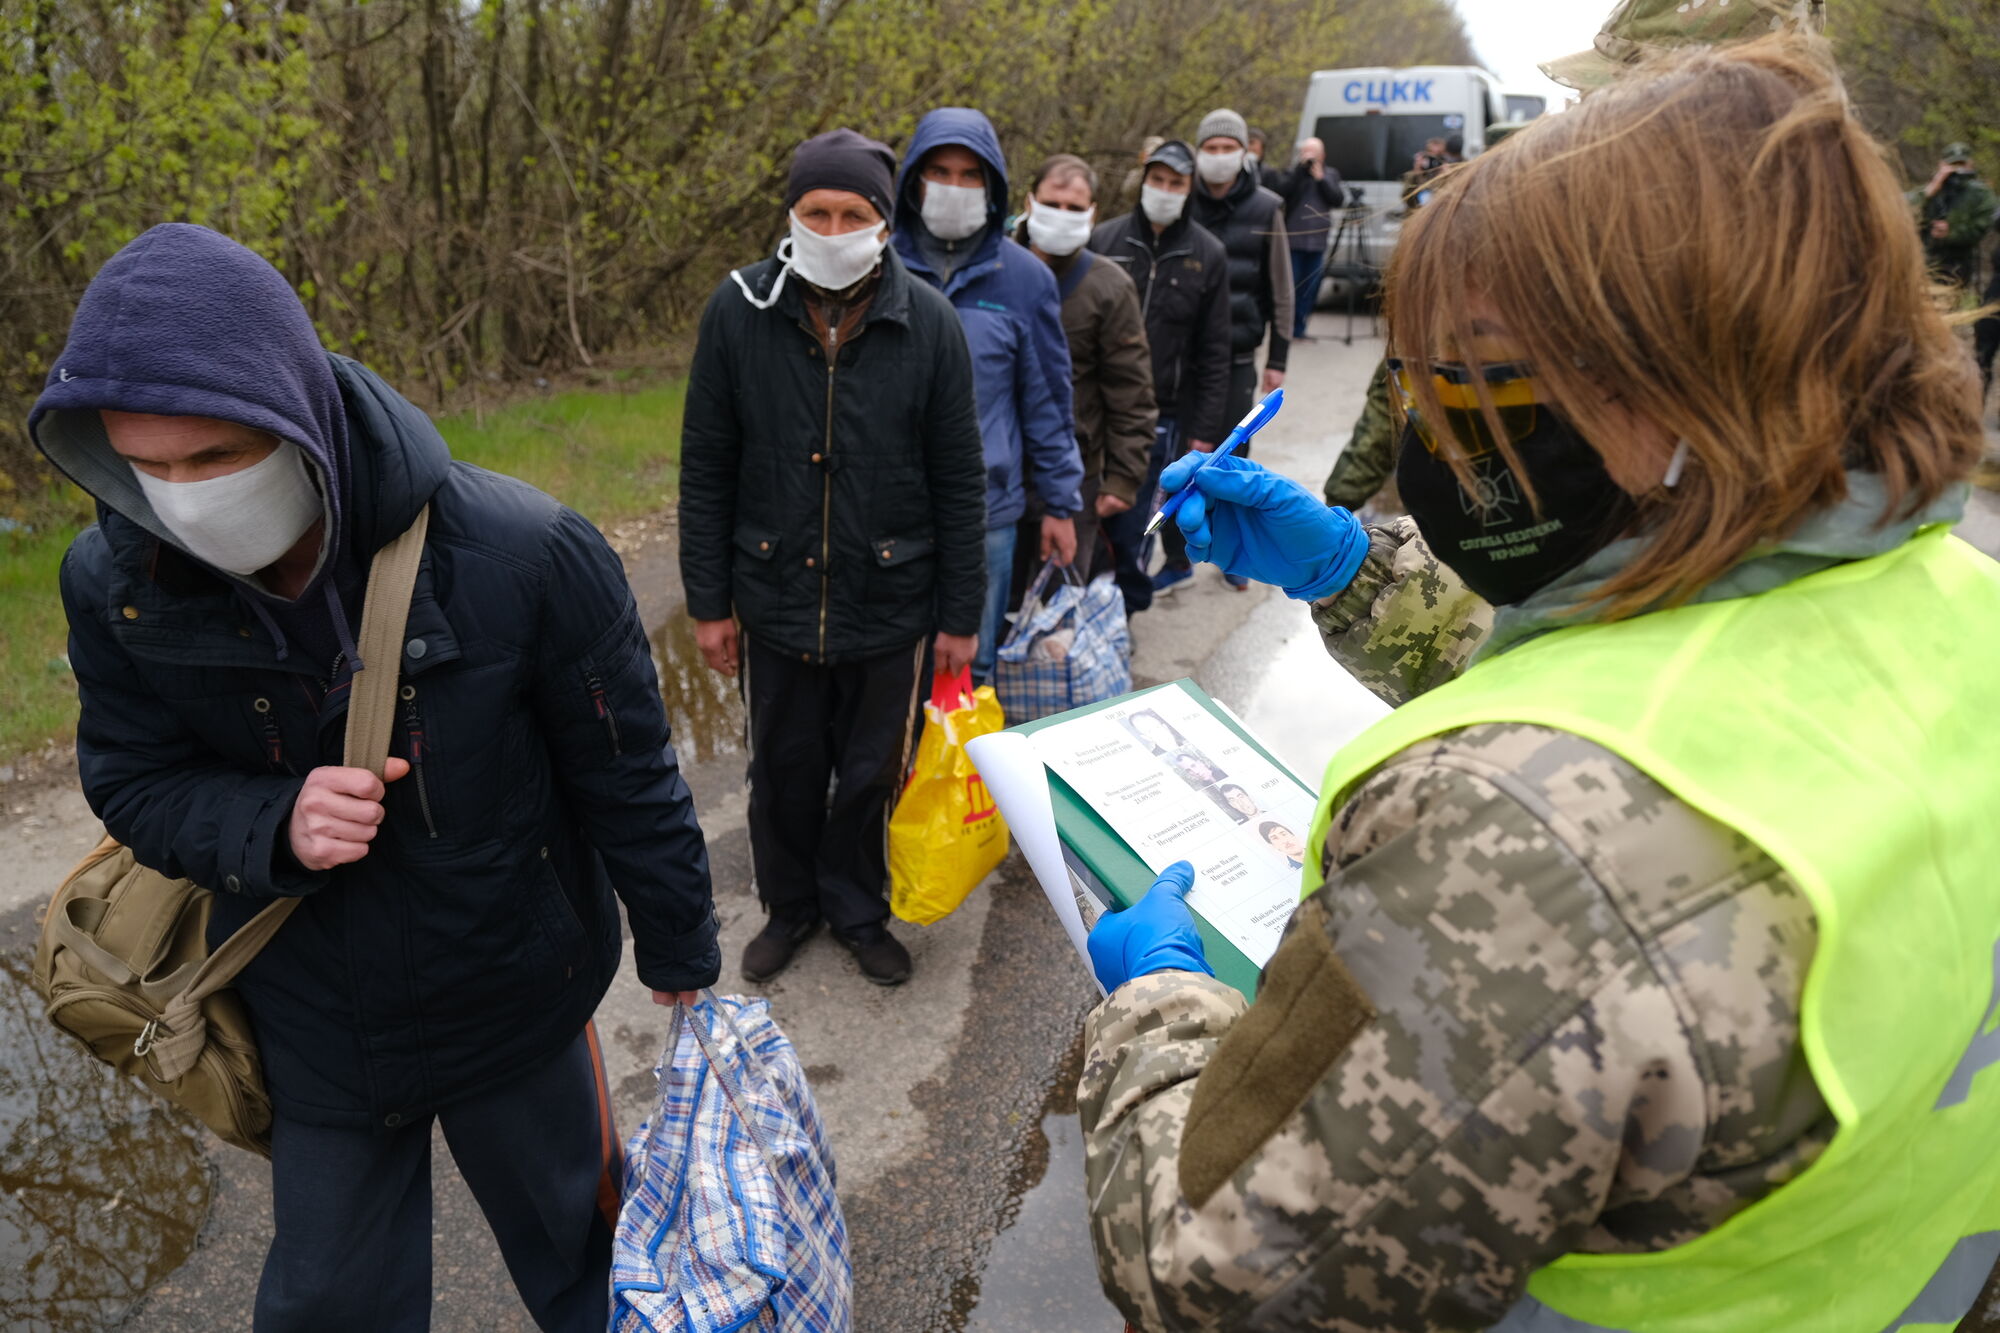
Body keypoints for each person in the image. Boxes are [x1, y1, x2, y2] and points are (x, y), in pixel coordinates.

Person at [1078, 35, 2000, 1332]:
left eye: (1489, 374)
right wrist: (1357, 568)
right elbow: (1681, 703)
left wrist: (1156, 1005)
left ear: (1682, 375)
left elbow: (1221, 1276)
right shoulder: (1960, 608)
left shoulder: (1514, 854)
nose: (1443, 428)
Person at [32, 223, 723, 1331]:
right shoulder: (113, 578)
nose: (183, 498)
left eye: (213, 459)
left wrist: (683, 949)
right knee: (327, 1302)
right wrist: (272, 822)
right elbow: (134, 778)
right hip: (316, 1024)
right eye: (146, 468)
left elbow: (628, 773)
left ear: (290, 413)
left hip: (517, 997)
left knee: (588, 1261)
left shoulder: (526, 552)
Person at [680, 129, 986, 988]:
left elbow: (960, 478)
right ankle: (790, 905)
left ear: (884, 224)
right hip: (773, 591)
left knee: (866, 772)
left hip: (888, 599)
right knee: (781, 766)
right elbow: (706, 464)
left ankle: (855, 905)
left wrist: (960, 615)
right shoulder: (737, 310)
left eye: (854, 212)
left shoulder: (928, 321)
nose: (834, 224)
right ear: (791, 213)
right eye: (818, 209)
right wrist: (709, 600)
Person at [892, 108, 1084, 682]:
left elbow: (1048, 401)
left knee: (967, 664)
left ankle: (962, 772)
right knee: (889, 664)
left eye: (970, 175)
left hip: (988, 513)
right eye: (940, 172)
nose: (954, 188)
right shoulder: (877, 267)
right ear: (914, 182)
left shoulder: (1025, 279)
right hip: (886, 511)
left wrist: (1059, 502)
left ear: (994, 187)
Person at [1089, 140, 1233, 614]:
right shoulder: (1104, 240)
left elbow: (1216, 352)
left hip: (1164, 415)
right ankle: (1078, 613)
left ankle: (1120, 616)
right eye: (1158, 179)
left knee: (1135, 526)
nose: (1165, 190)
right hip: (1094, 407)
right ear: (1143, 180)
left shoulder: (1208, 254)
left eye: (1176, 183)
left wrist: (1204, 434)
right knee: (1083, 516)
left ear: (1189, 189)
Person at [1012, 153, 1158, 589]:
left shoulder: (1108, 285)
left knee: (1054, 619)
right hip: (995, 472)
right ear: (1029, 201)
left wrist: (1123, 479)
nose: (1062, 216)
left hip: (1075, 476)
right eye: (1052, 203)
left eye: (1075, 209)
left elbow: (1131, 392)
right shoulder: (993, 270)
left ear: (1093, 213)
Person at [1185, 108, 1294, 593]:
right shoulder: (1181, 200)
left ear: (1245, 152)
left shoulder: (1267, 206)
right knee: (1181, 448)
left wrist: (1278, 358)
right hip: (1183, 353)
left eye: (1229, 147)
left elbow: (1281, 286)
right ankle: (1175, 542)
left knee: (1230, 454)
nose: (1220, 157)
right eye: (1211, 148)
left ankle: (1234, 552)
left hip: (1235, 353)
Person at [1271, 136, 1345, 342]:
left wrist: (1321, 178)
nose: (1310, 157)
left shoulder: (1331, 174)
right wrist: (1300, 171)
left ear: (1323, 155)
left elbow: (1337, 199)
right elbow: (1281, 193)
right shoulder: (1294, 174)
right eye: (1306, 152)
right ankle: (1284, 329)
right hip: (1293, 241)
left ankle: (1299, 328)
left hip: (1317, 242)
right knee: (1290, 287)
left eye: (1314, 153)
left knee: (1310, 288)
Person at [1912, 142, 1998, 292]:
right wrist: (1930, 190)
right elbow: (1902, 209)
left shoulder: (1980, 194)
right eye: (1952, 165)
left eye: (1961, 164)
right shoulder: (1931, 189)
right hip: (1924, 259)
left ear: (1970, 165)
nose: (1957, 169)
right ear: (1941, 165)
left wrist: (1952, 232)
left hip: (1959, 263)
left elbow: (1985, 225)